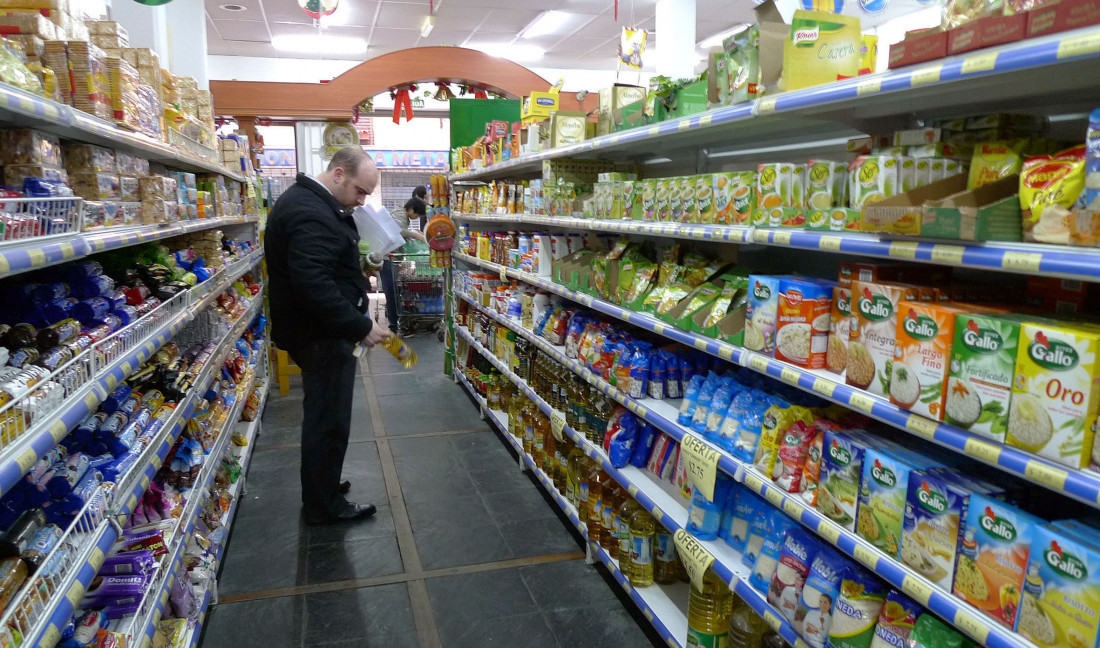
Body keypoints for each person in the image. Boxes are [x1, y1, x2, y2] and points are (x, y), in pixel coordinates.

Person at [265, 147, 389, 525]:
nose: (362, 200)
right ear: (338, 174)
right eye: (360, 191)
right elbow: (313, 284)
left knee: (327, 416)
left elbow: (322, 266)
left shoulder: (313, 203)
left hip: (319, 331)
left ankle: (325, 485)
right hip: (319, 334)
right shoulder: (308, 211)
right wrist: (361, 326)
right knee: (327, 420)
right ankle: (323, 506)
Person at [381, 198, 427, 333]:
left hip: (393, 257)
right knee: (391, 292)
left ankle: (399, 321)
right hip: (388, 258)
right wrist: (417, 236)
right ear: (411, 209)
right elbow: (398, 231)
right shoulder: (399, 214)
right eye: (416, 215)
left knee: (396, 290)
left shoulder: (401, 215)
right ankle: (393, 325)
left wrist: (416, 233)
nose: (416, 218)